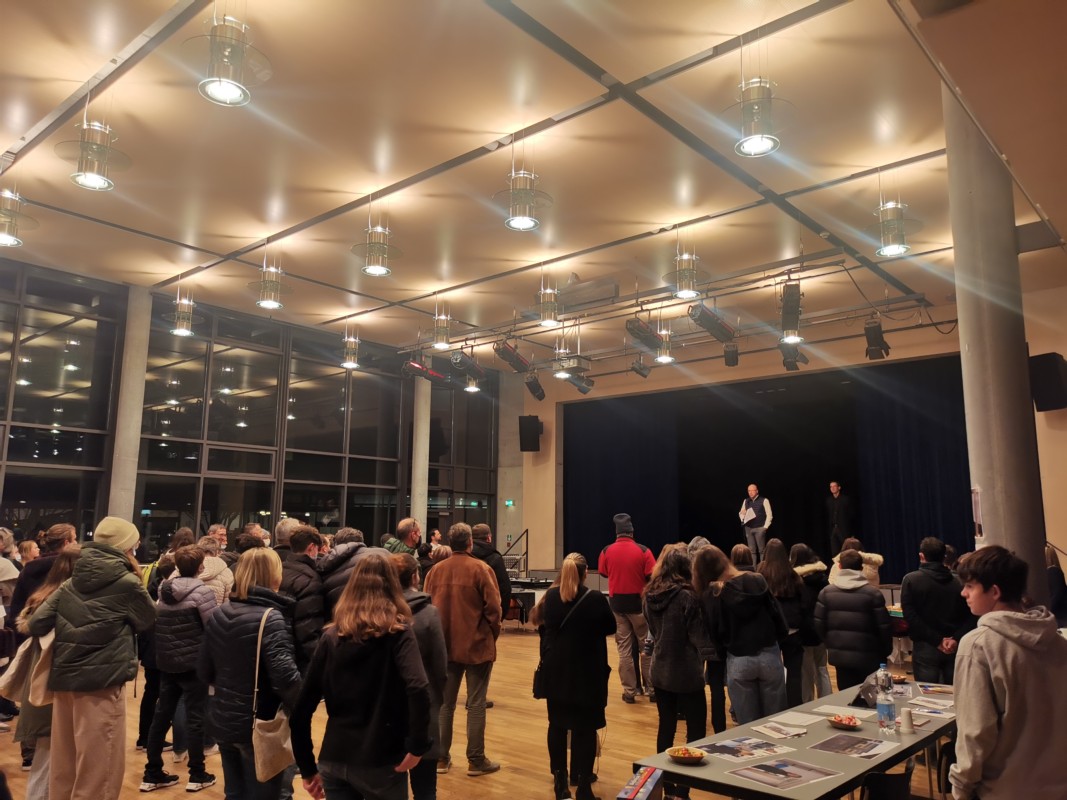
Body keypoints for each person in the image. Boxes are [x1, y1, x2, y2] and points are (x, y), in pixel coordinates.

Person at [26, 516, 157, 800]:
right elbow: (147, 620)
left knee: (64, 767)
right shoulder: (127, 583)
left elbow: (36, 623)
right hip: (102, 684)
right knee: (100, 771)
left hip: (64, 681)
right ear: (126, 547)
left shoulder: (71, 582)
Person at [291, 553, 432, 800]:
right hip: (381, 758)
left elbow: (302, 707)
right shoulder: (398, 633)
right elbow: (418, 686)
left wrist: (307, 767)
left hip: (335, 756)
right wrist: (418, 745)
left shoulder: (331, 636)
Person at [949, 545, 1067, 800]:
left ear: (994, 592)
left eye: (970, 586)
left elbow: (976, 732)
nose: (963, 593)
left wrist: (961, 787)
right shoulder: (1059, 642)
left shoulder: (978, 645)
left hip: (1004, 790)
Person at [198, 548, 302, 800]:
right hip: (258, 723)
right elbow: (285, 678)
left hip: (223, 718)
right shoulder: (271, 618)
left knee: (234, 793)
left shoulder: (221, 612)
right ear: (274, 574)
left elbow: (204, 669)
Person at [531, 553, 615, 800]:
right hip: (588, 673)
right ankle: (583, 786)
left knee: (557, 725)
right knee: (585, 729)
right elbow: (610, 627)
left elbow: (542, 626)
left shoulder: (550, 597)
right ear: (585, 572)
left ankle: (560, 783)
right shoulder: (595, 599)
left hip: (557, 671)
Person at [422, 522, 502, 778]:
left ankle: (441, 758)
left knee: (445, 704)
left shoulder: (435, 572)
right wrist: (491, 634)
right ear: (469, 543)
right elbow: (494, 610)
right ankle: (476, 760)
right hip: (477, 644)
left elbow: (426, 607)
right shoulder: (482, 569)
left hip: (444, 646)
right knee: (476, 703)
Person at [140, 545, 218, 793]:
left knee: (162, 715)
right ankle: (197, 773)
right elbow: (212, 627)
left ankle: (152, 772)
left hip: (167, 661)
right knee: (196, 717)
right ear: (200, 567)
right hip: (194, 663)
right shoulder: (203, 592)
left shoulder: (164, 591)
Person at [14, 545, 81, 800]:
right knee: (51, 761)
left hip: (41, 686)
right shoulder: (64, 603)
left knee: (48, 758)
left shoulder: (41, 597)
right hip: (54, 688)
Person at [694, 544, 788, 724]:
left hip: (738, 659)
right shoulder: (758, 580)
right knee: (777, 724)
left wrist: (724, 654)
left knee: (748, 728)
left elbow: (714, 632)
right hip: (769, 654)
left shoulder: (714, 594)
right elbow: (778, 617)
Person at [643, 545, 708, 800]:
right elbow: (698, 637)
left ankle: (667, 789)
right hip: (687, 672)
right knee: (696, 732)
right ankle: (683, 790)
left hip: (660, 669)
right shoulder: (689, 597)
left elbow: (653, 631)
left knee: (666, 728)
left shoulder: (649, 596)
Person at [392, 553, 448, 800]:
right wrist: (437, 697)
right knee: (425, 788)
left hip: (387, 712)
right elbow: (440, 665)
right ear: (415, 576)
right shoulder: (429, 614)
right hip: (424, 706)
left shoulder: (377, 612)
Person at [596, 513, 655, 704]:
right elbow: (652, 574)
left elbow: (603, 572)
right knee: (646, 647)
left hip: (617, 606)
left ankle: (630, 691)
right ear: (632, 532)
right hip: (639, 606)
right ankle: (652, 689)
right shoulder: (644, 551)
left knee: (624, 649)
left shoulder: (606, 551)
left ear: (617, 533)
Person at [814, 549, 892, 689]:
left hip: (841, 658)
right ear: (861, 568)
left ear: (839, 567)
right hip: (870, 657)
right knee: (870, 698)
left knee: (846, 698)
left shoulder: (826, 593)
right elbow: (884, 628)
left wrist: (832, 645)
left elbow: (819, 625)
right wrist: (885, 652)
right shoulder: (873, 594)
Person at [900, 536, 973, 683]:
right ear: (944, 556)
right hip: (955, 646)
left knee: (926, 693)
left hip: (925, 646)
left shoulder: (911, 580)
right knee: (955, 692)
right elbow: (971, 616)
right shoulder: (960, 582)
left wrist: (937, 641)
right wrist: (955, 638)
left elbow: (910, 616)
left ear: (921, 556)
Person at [757, 538, 806, 708]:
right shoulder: (793, 574)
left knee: (772, 674)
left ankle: (775, 707)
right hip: (793, 630)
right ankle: (795, 706)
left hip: (771, 631)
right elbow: (803, 602)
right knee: (794, 673)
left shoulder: (761, 573)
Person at [9, 523, 77, 628]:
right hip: (64, 630)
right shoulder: (74, 567)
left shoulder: (30, 568)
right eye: (75, 539)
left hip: (30, 628)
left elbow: (17, 605)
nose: (77, 543)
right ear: (66, 543)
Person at [279, 526, 326, 672]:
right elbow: (308, 628)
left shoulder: (278, 570)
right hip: (298, 657)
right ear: (312, 548)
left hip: (278, 647)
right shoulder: (311, 579)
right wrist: (318, 663)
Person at [789, 543, 832, 702]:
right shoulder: (823, 578)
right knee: (822, 669)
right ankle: (827, 701)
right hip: (821, 630)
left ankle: (808, 704)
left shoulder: (795, 581)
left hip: (804, 632)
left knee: (806, 673)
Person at [471, 523, 512, 623]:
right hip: (487, 615)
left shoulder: (464, 557)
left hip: (466, 613)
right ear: (489, 538)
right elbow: (505, 589)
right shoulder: (495, 558)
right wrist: (500, 617)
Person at [738, 484, 772, 564]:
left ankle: (763, 568)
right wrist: (743, 516)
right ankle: (753, 569)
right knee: (751, 551)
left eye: (752, 490)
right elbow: (741, 513)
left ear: (757, 491)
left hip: (760, 528)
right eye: (749, 491)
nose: (750, 492)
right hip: (748, 528)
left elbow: (769, 515)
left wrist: (765, 527)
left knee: (762, 551)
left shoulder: (764, 500)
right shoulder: (746, 501)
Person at [825, 481, 854, 556]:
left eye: (834, 486)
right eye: (831, 487)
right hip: (833, 530)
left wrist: (851, 532)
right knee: (835, 552)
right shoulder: (829, 501)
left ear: (839, 487)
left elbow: (850, 516)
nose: (832, 488)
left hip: (844, 530)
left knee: (846, 551)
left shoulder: (845, 500)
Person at [1045, 544, 1067, 625]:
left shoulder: (1053, 571)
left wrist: (1048, 609)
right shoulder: (1055, 571)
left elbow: (1056, 594)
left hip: (1059, 616)